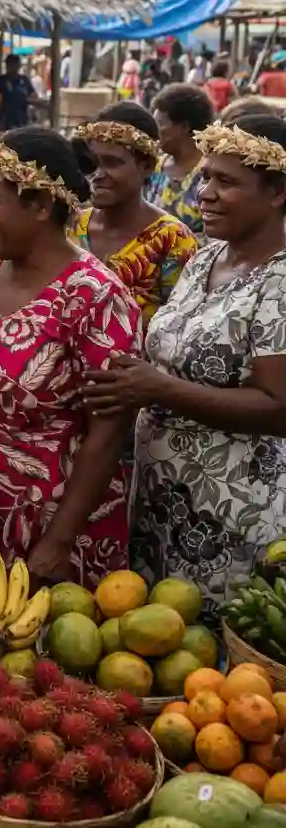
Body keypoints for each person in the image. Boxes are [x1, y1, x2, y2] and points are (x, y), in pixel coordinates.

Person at [84, 115, 286, 619]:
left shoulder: (279, 280)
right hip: (160, 494)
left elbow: (279, 407)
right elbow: (176, 354)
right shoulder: (205, 259)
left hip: (234, 510)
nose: (206, 193)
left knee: (214, 662)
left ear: (278, 191)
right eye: (206, 177)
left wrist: (158, 388)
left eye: (227, 182)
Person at [0, 130, 142, 584]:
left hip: (52, 521)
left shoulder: (95, 296)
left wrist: (57, 542)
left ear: (40, 206)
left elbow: (108, 432)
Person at [71, 103, 197, 324]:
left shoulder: (173, 241)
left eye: (112, 163)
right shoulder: (70, 226)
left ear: (147, 166)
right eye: (92, 164)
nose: (98, 175)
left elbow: (183, 327)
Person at [146, 84, 215, 240]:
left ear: (184, 126)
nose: (154, 130)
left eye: (160, 123)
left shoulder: (210, 173)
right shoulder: (154, 167)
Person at [0, 54, 37, 131]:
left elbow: (33, 94)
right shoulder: (0, 80)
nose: (12, 66)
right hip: (5, 119)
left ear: (19, 65)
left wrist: (28, 100)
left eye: (15, 64)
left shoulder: (24, 80)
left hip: (22, 118)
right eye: (10, 64)